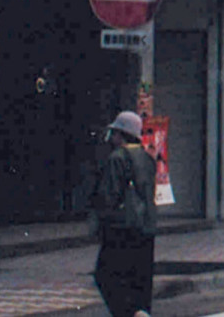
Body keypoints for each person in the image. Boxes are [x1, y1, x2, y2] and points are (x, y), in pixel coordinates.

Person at [92, 110, 157, 317]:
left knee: (105, 275)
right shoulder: (148, 159)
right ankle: (141, 311)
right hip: (146, 228)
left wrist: (100, 223)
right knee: (139, 278)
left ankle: (129, 313)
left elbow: (108, 196)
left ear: (121, 134)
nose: (113, 138)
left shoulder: (117, 158)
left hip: (121, 228)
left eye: (115, 133)